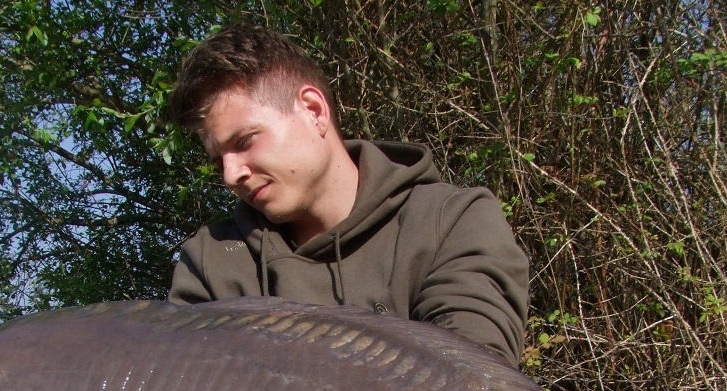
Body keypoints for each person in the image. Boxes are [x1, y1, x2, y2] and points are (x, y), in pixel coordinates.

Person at [166, 23, 530, 366]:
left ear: (313, 111)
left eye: (244, 142)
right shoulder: (212, 260)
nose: (231, 175)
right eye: (219, 162)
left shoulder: (451, 220)